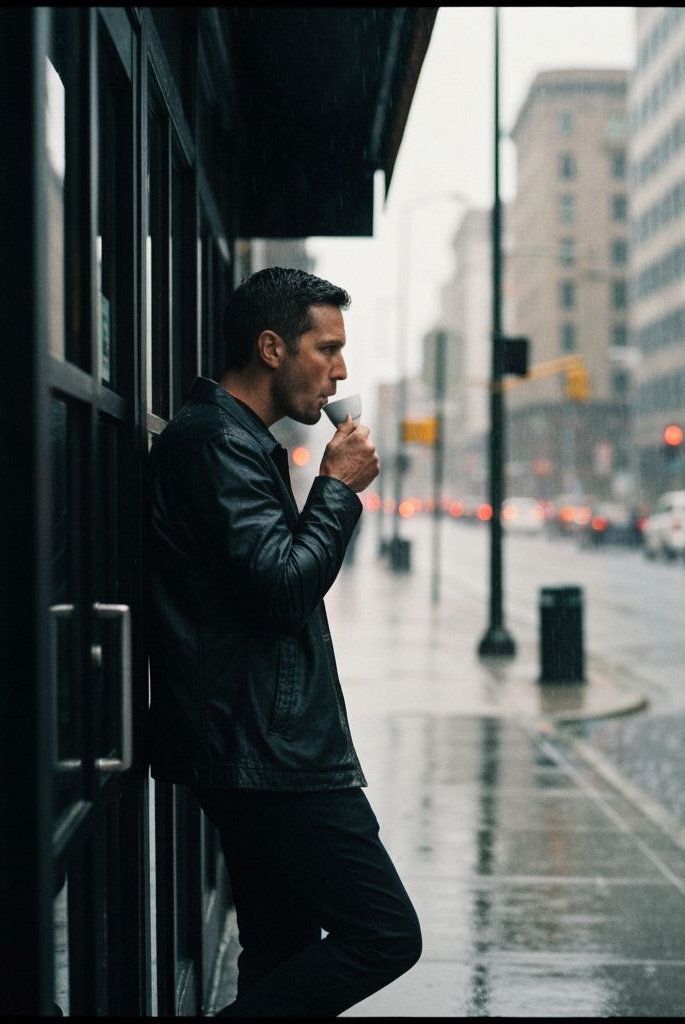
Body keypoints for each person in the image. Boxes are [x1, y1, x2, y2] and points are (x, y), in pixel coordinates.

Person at [145, 267, 421, 1017]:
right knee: (385, 935)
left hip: (258, 738)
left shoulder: (233, 441)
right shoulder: (215, 446)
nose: (341, 370)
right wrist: (336, 488)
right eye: (326, 348)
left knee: (284, 945)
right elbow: (280, 591)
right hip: (266, 748)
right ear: (271, 348)